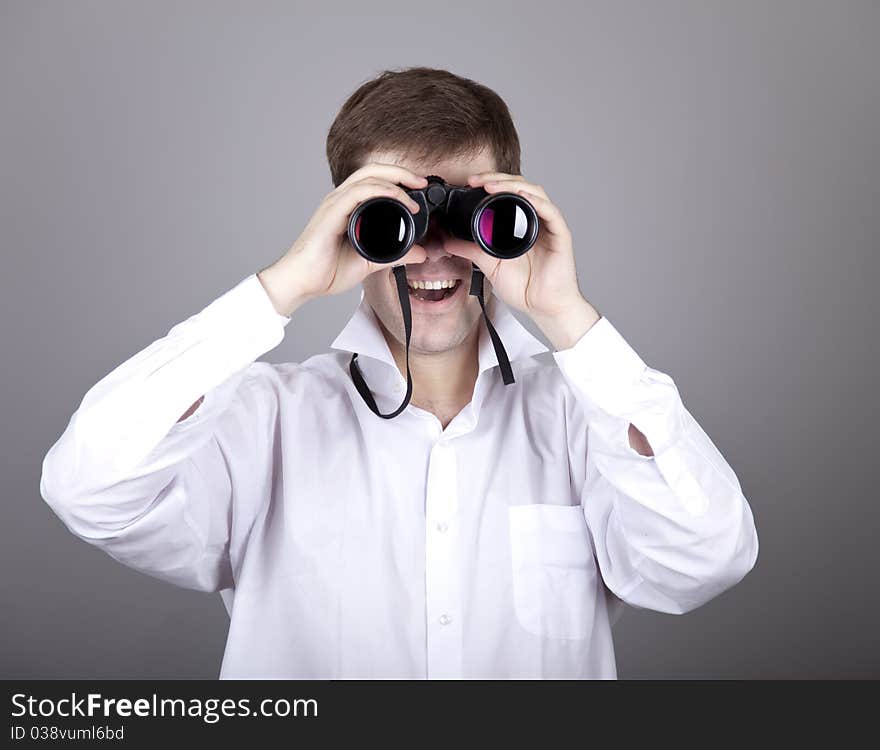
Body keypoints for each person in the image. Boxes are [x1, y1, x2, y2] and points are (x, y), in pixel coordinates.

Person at [40, 66, 759, 679]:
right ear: (344, 223)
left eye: (470, 218)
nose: (433, 253)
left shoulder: (585, 420)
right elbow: (88, 487)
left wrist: (566, 314)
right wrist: (282, 286)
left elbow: (707, 558)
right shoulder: (266, 422)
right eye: (397, 220)